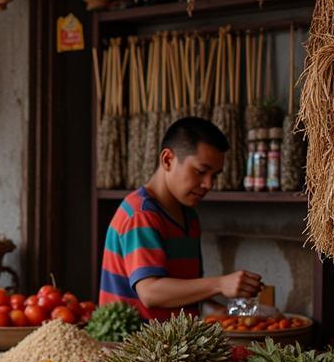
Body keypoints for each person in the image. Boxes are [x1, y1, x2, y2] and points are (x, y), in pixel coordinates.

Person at [99, 116, 261, 321]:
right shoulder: (141, 214)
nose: (208, 184)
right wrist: (220, 284)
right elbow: (150, 293)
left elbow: (185, 293)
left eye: (215, 175)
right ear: (167, 160)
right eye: (201, 171)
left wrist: (221, 312)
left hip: (173, 347)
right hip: (134, 349)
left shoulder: (189, 216)